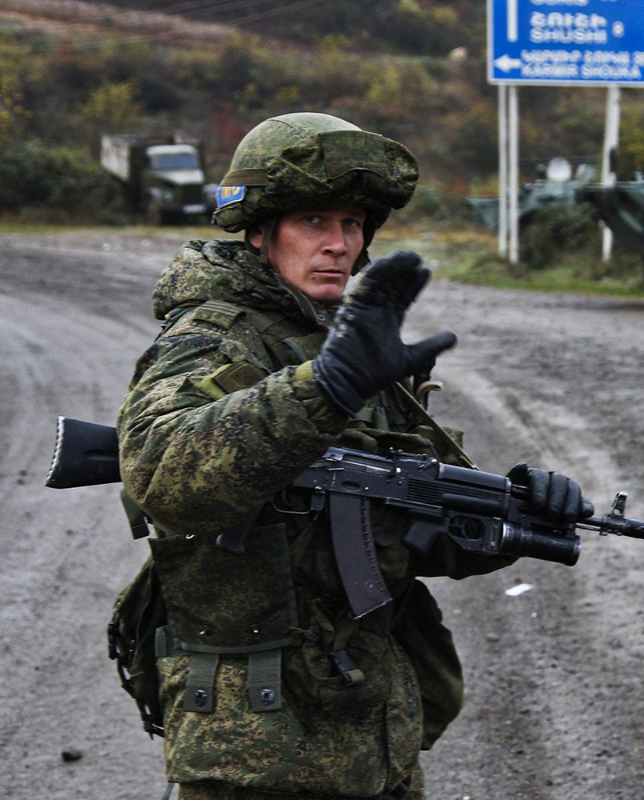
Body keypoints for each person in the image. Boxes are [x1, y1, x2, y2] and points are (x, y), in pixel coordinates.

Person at [116, 112, 592, 799]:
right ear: (261, 230)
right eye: (314, 222)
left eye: (352, 224)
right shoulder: (215, 337)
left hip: (370, 728)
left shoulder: (345, 346)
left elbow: (415, 532)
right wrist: (326, 389)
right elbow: (164, 474)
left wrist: (515, 514)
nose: (338, 244)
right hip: (257, 748)